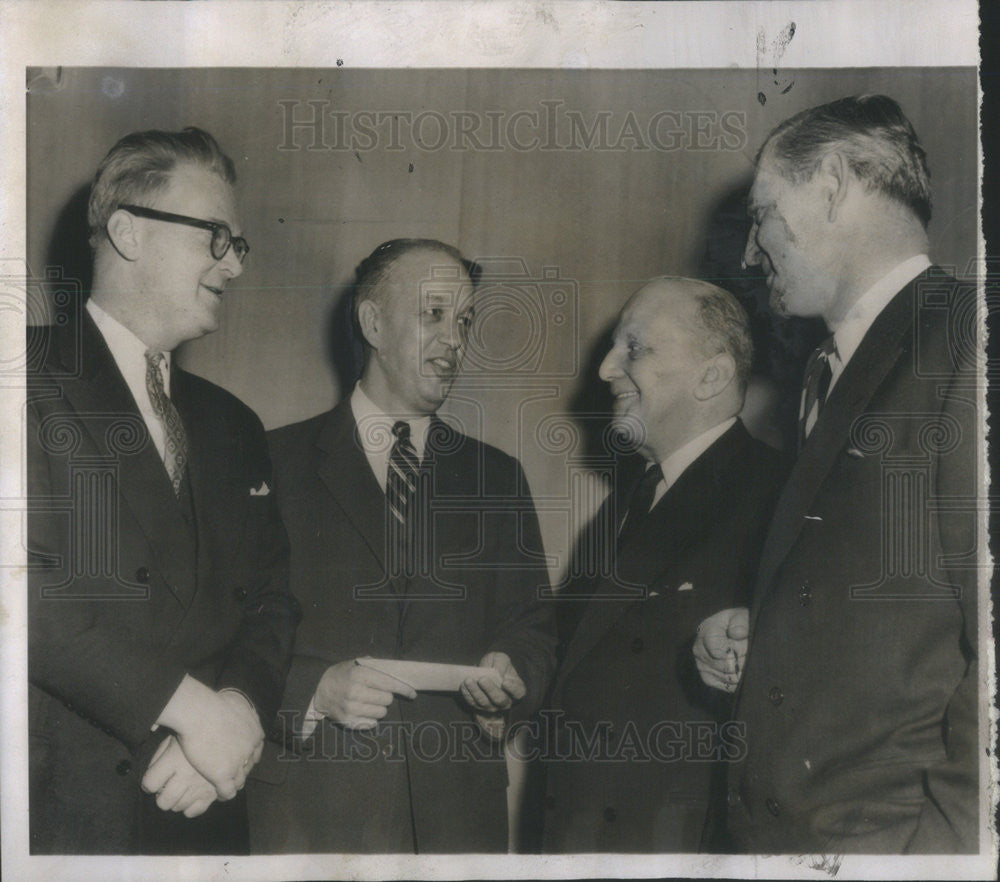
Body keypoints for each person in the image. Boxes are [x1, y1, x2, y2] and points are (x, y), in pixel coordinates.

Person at [693, 94, 980, 853]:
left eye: (762, 214)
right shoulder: (837, 367)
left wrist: (944, 859)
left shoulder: (968, 341)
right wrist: (776, 633)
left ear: (832, 186)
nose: (751, 252)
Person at [27, 127, 300, 854]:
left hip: (206, 806)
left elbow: (274, 597)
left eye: (238, 244)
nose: (233, 267)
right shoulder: (21, 376)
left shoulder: (235, 424)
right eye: (215, 235)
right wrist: (187, 711)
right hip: (62, 818)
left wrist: (238, 711)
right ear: (127, 232)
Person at [247, 238, 556, 853]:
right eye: (433, 314)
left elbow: (535, 627)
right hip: (310, 817)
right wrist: (311, 690)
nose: (455, 340)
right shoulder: (269, 463)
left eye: (463, 321)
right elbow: (230, 627)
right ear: (372, 323)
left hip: (458, 824)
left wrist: (512, 675)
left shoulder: (496, 478)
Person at [541, 277, 784, 852]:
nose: (604, 369)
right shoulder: (627, 506)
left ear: (712, 375)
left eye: (635, 348)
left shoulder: (780, 499)